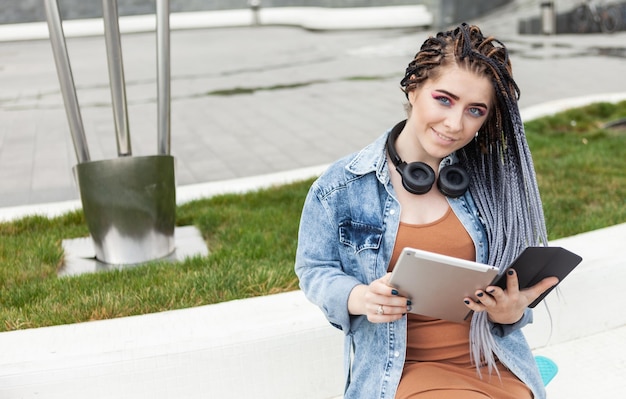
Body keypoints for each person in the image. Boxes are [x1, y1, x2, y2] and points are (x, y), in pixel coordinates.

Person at [294, 23, 558, 399]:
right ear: (414, 86)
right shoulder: (341, 187)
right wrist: (360, 297)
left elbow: (513, 288)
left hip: (496, 363)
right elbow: (314, 269)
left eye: (475, 110)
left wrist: (510, 312)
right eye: (444, 99)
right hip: (402, 372)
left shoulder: (491, 185)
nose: (455, 124)